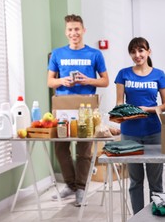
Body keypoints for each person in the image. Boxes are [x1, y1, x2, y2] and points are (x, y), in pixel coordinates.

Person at [47, 14, 109, 206]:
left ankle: (81, 188)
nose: (74, 33)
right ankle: (71, 185)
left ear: (83, 30)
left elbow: (105, 80)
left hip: (86, 107)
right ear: (66, 33)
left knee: (84, 150)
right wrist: (61, 81)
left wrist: (88, 80)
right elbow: (49, 81)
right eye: (70, 30)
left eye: (77, 29)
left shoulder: (95, 54)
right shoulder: (57, 54)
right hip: (63, 108)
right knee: (60, 148)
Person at [115, 37, 165, 214]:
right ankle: (138, 216)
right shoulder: (123, 74)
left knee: (156, 182)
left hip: (154, 131)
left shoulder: (159, 74)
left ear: (148, 51)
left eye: (141, 50)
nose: (137, 55)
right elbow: (118, 103)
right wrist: (125, 111)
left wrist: (148, 109)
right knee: (135, 181)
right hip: (129, 133)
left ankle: (156, 214)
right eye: (133, 51)